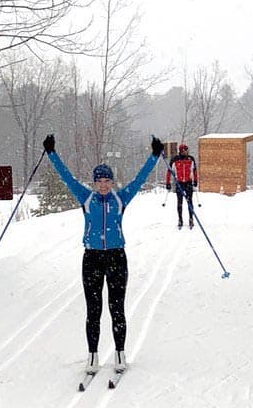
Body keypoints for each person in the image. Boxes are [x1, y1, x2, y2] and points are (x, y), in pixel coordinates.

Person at [43, 132, 165, 372]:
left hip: (117, 257)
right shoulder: (86, 198)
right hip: (92, 259)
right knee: (94, 309)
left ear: (111, 182)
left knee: (116, 308)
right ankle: (93, 355)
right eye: (99, 181)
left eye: (107, 181)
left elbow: (140, 179)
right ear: (94, 183)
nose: (103, 185)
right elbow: (66, 177)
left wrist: (154, 156)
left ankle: (120, 353)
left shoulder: (121, 199)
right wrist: (52, 153)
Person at [169, 143, 198, 229]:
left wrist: (195, 180)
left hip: (188, 182)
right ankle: (180, 219)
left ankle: (191, 218)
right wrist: (168, 182)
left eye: (187, 150)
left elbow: (194, 170)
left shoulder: (191, 159)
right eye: (185, 150)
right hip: (179, 183)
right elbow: (169, 171)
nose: (186, 152)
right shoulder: (175, 159)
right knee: (179, 202)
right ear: (181, 151)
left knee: (190, 201)